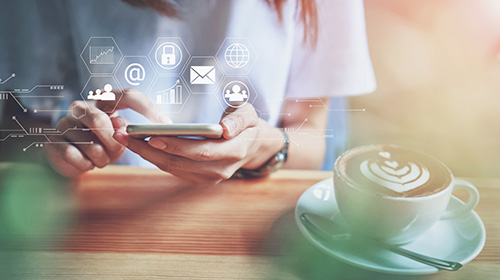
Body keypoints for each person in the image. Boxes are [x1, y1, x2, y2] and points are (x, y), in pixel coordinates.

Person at [0, 0, 375, 184]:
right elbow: (24, 124)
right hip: (103, 206)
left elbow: (313, 138)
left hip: (252, 204)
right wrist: (61, 145)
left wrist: (266, 146)